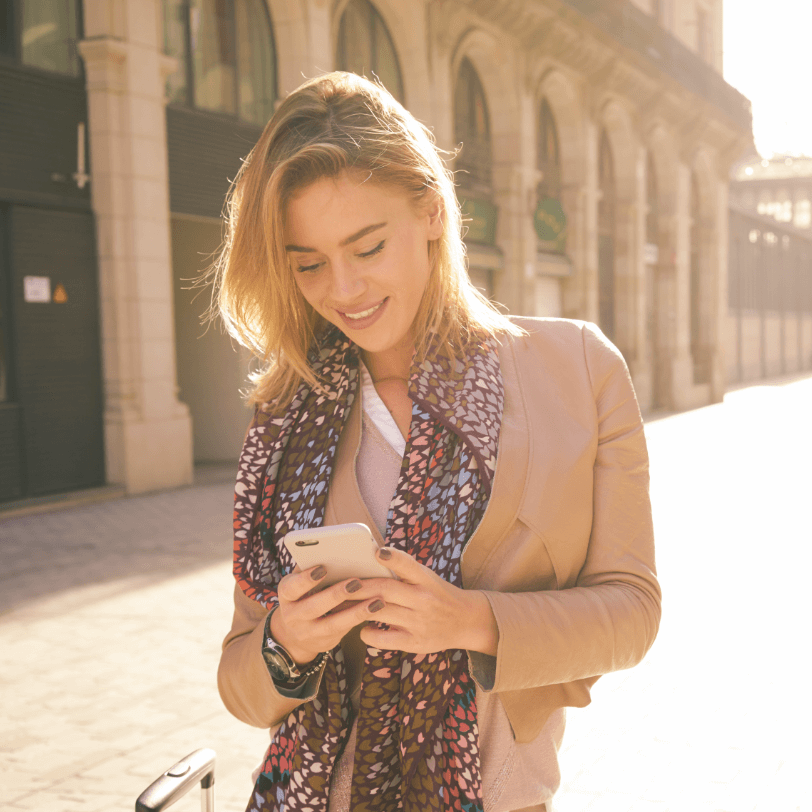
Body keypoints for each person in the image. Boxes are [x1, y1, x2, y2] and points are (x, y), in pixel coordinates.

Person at [215, 71, 660, 812]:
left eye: (367, 247)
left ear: (429, 212)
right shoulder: (286, 417)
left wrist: (473, 620)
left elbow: (633, 612)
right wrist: (286, 644)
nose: (344, 289)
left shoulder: (578, 368)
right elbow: (239, 682)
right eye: (310, 265)